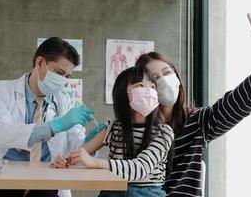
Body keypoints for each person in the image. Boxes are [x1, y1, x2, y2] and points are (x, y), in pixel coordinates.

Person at [131, 28, 251, 196]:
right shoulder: (135, 127)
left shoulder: (197, 120)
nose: (164, 80)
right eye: (155, 78)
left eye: (167, 73)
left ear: (177, 77)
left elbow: (234, 105)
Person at [0, 37, 98, 197]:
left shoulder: (64, 100)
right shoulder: (0, 90)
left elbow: (75, 144)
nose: (63, 81)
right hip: (5, 177)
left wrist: (92, 142)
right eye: (59, 73)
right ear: (39, 63)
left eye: (67, 76)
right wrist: (53, 127)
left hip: (46, 181)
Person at [51, 66, 175, 197]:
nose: (148, 91)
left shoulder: (164, 132)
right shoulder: (114, 128)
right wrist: (64, 160)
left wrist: (94, 162)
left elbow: (140, 168)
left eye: (152, 87)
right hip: (111, 191)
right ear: (123, 93)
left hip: (147, 194)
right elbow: (81, 153)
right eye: (140, 85)